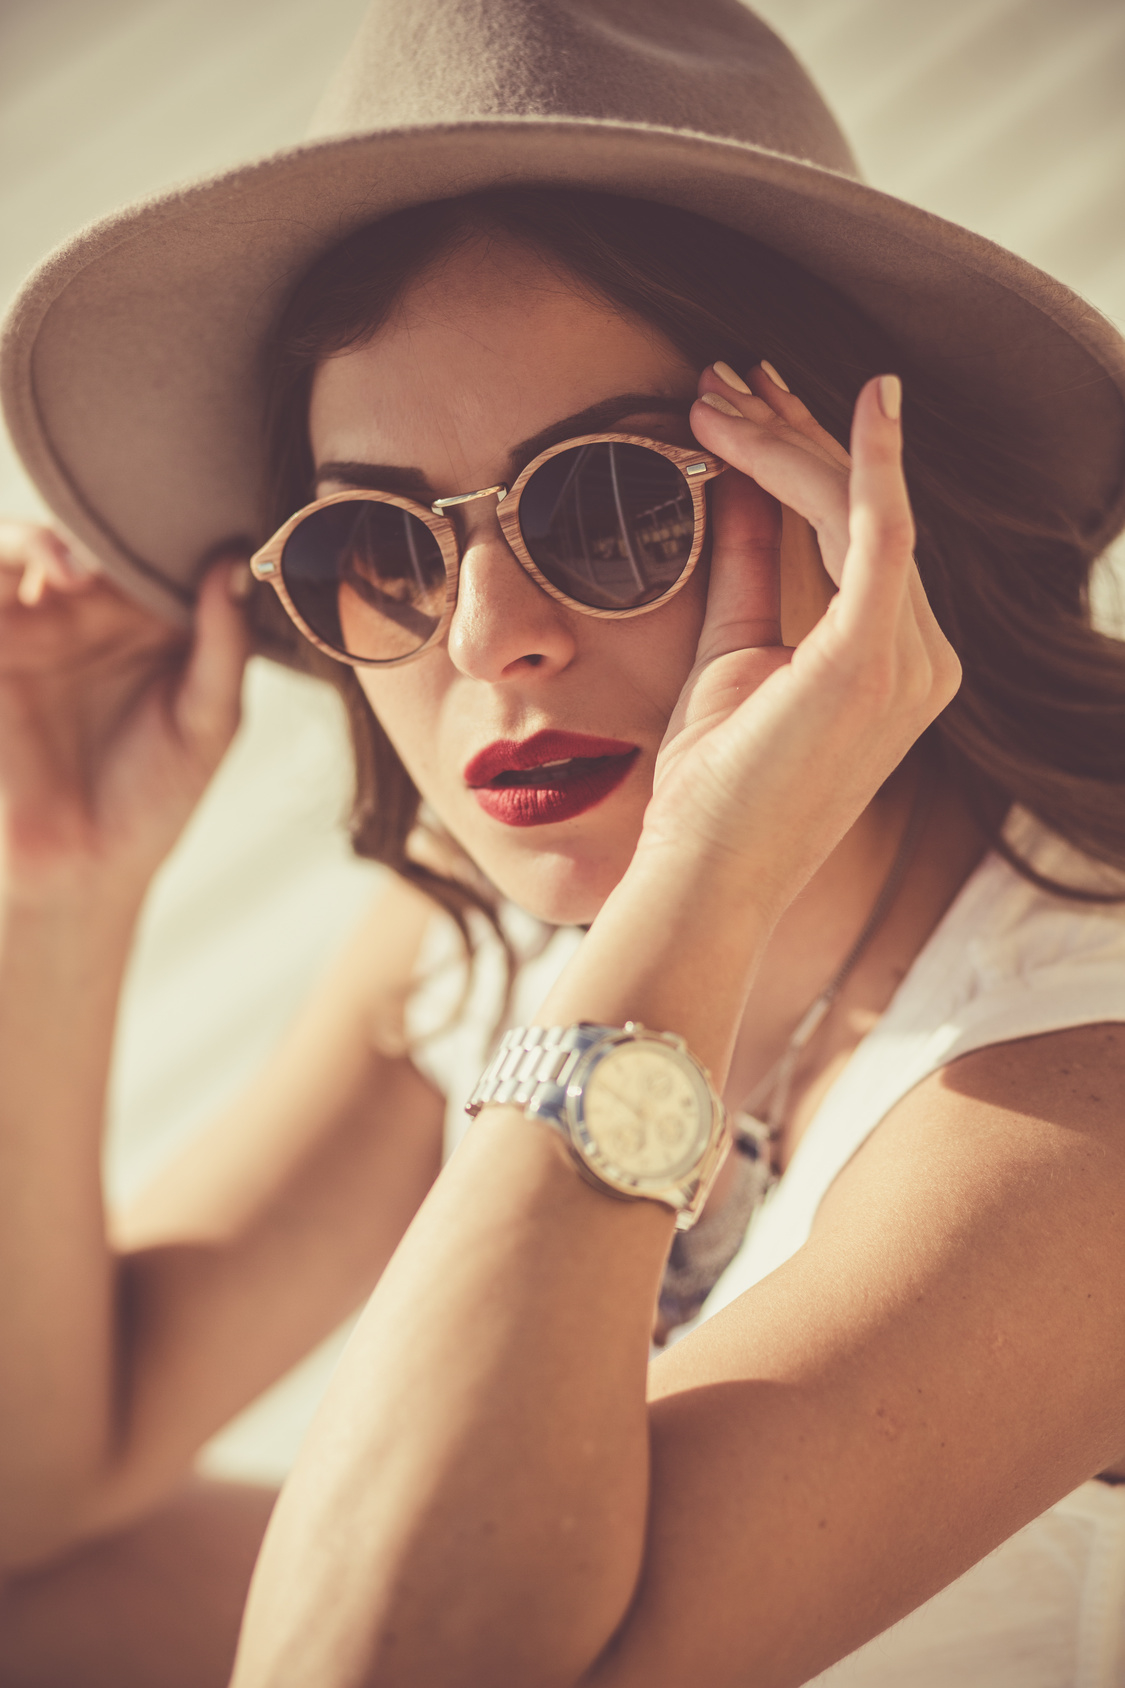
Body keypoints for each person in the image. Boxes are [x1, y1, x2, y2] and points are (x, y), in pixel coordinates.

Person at [2, 3, 1125, 1685]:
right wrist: (56, 896)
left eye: (608, 505)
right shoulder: (474, 939)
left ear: (861, 522)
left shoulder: (1077, 1082)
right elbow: (43, 1483)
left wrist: (707, 871)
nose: (481, 640)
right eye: (386, 544)